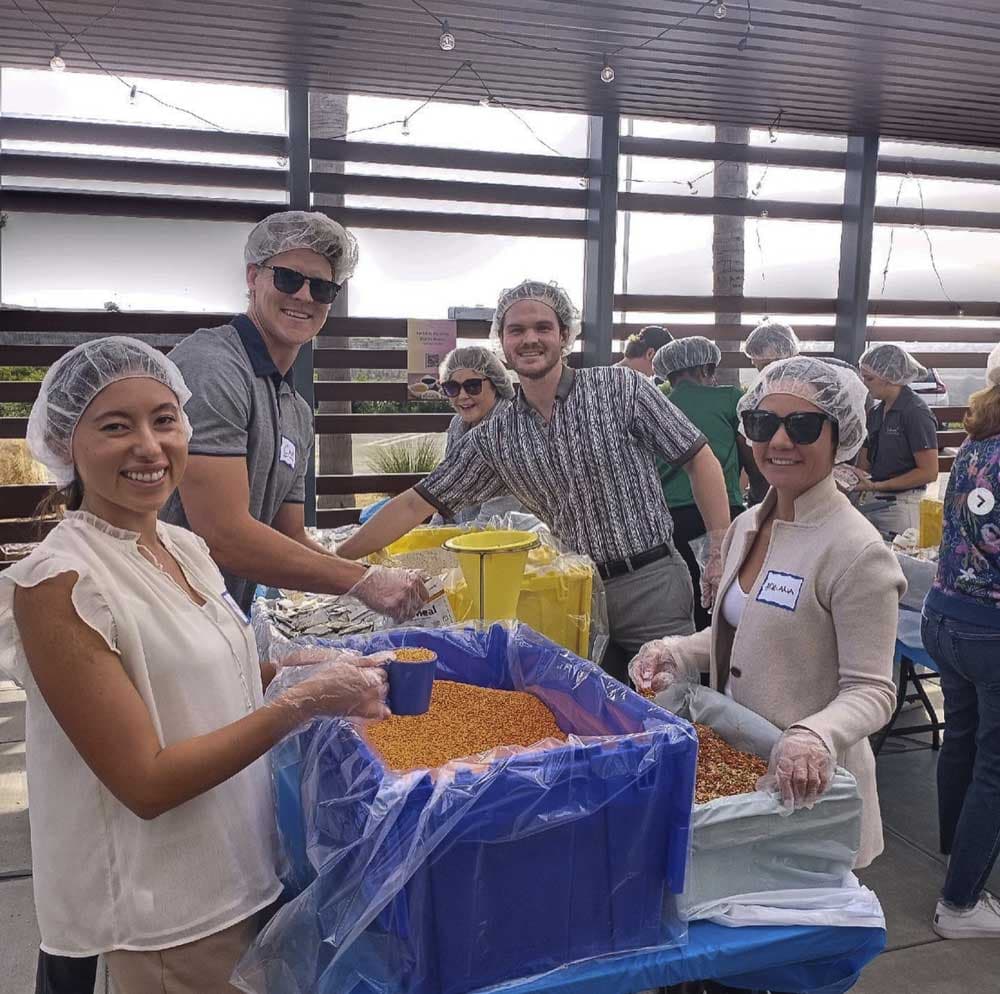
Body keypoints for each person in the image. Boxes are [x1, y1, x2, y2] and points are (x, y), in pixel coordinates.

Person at [2, 338, 391, 994]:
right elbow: (145, 782)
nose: (150, 446)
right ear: (68, 445)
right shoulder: (61, 584)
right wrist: (299, 703)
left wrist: (297, 669)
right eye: (115, 426)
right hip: (165, 913)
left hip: (240, 875)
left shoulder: (179, 545)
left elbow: (204, 680)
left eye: (164, 419)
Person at [336, 279, 732, 683]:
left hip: (651, 585)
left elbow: (698, 458)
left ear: (564, 336)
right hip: (574, 593)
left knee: (674, 711)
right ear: (502, 343)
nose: (530, 339)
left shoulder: (619, 389)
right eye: (517, 330)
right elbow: (416, 503)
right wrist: (337, 562)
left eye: (542, 328)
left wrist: (718, 546)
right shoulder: (497, 435)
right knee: (588, 714)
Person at [630, 356, 904, 870]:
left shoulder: (855, 551)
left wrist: (813, 735)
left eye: (802, 426)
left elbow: (873, 690)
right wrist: (678, 652)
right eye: (762, 423)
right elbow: (745, 624)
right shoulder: (747, 525)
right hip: (744, 773)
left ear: (839, 436)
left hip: (813, 791)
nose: (779, 442)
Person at [160, 210, 427, 620]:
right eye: (288, 278)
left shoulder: (296, 411)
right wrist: (360, 580)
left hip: (218, 621)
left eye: (322, 288)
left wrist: (366, 579)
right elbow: (222, 536)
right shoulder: (214, 369)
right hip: (157, 615)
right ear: (253, 277)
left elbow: (290, 533)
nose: (304, 297)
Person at [922, 343, 1000, 939]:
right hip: (990, 631)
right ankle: (961, 904)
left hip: (946, 615)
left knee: (962, 742)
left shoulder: (978, 443)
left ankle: (958, 853)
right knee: (994, 768)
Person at [652, 336, 763, 629]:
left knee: (691, 601)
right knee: (730, 600)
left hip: (672, 520)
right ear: (704, 369)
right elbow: (751, 457)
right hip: (723, 516)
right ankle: (723, 669)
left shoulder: (658, 404)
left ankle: (691, 664)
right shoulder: (729, 399)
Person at [854, 344, 940, 538]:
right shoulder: (876, 412)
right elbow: (865, 464)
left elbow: (929, 471)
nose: (864, 384)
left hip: (902, 505)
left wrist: (877, 486)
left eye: (869, 378)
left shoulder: (915, 412)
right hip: (873, 500)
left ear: (890, 377)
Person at [432, 345, 523, 524]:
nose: (463, 396)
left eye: (472, 386)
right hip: (463, 536)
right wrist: (433, 531)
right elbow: (446, 487)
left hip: (508, 539)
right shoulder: (458, 424)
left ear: (496, 385)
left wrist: (453, 543)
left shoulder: (511, 429)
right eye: (452, 388)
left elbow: (496, 518)